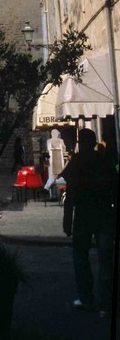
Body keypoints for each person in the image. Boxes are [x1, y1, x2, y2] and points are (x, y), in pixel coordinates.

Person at [61, 127, 117, 318]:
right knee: (105, 260)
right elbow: (115, 189)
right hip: (104, 215)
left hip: (84, 215)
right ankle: (105, 304)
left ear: (80, 142)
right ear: (93, 143)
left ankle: (86, 297)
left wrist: (67, 220)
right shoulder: (104, 161)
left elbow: (71, 194)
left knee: (80, 257)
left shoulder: (77, 162)